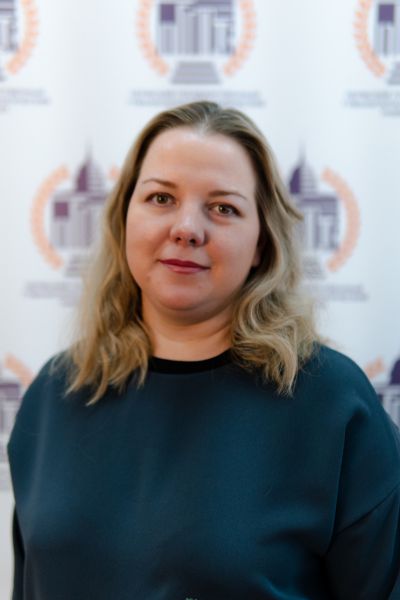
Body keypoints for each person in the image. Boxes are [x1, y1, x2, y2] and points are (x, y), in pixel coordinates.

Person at [7, 101, 400, 600]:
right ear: (124, 218)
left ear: (261, 244)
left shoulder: (332, 403)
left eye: (223, 208)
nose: (187, 228)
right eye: (161, 198)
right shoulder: (56, 392)